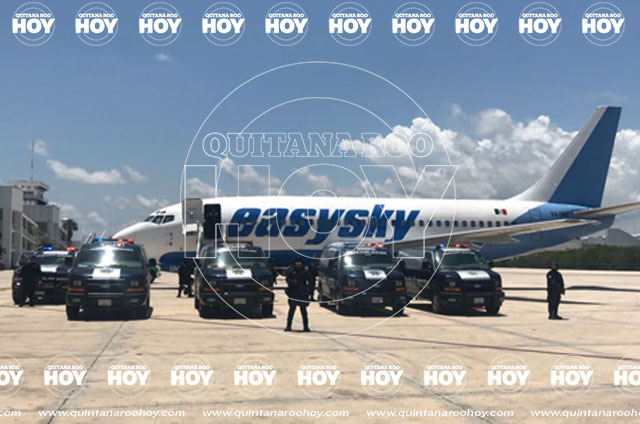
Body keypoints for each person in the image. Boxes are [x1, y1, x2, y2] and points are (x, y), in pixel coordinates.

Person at [285, 257, 312, 332]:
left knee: (303, 311)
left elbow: (310, 281)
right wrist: (293, 282)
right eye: (297, 263)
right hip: (293, 293)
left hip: (302, 294)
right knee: (291, 311)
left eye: (299, 263)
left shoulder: (304, 271)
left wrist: (308, 291)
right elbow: (287, 279)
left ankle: (306, 327)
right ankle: (288, 326)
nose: (298, 265)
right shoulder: (291, 271)